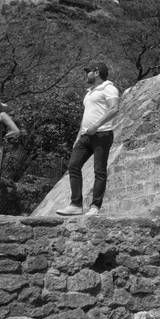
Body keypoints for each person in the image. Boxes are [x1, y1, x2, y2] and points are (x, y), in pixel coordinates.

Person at [56, 63, 119, 217]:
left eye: (88, 72)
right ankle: (76, 205)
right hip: (85, 136)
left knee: (99, 171)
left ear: (96, 72)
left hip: (102, 135)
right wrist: (78, 136)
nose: (86, 74)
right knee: (73, 166)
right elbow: (87, 116)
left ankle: (95, 206)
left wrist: (96, 126)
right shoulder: (89, 92)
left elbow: (114, 109)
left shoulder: (109, 88)